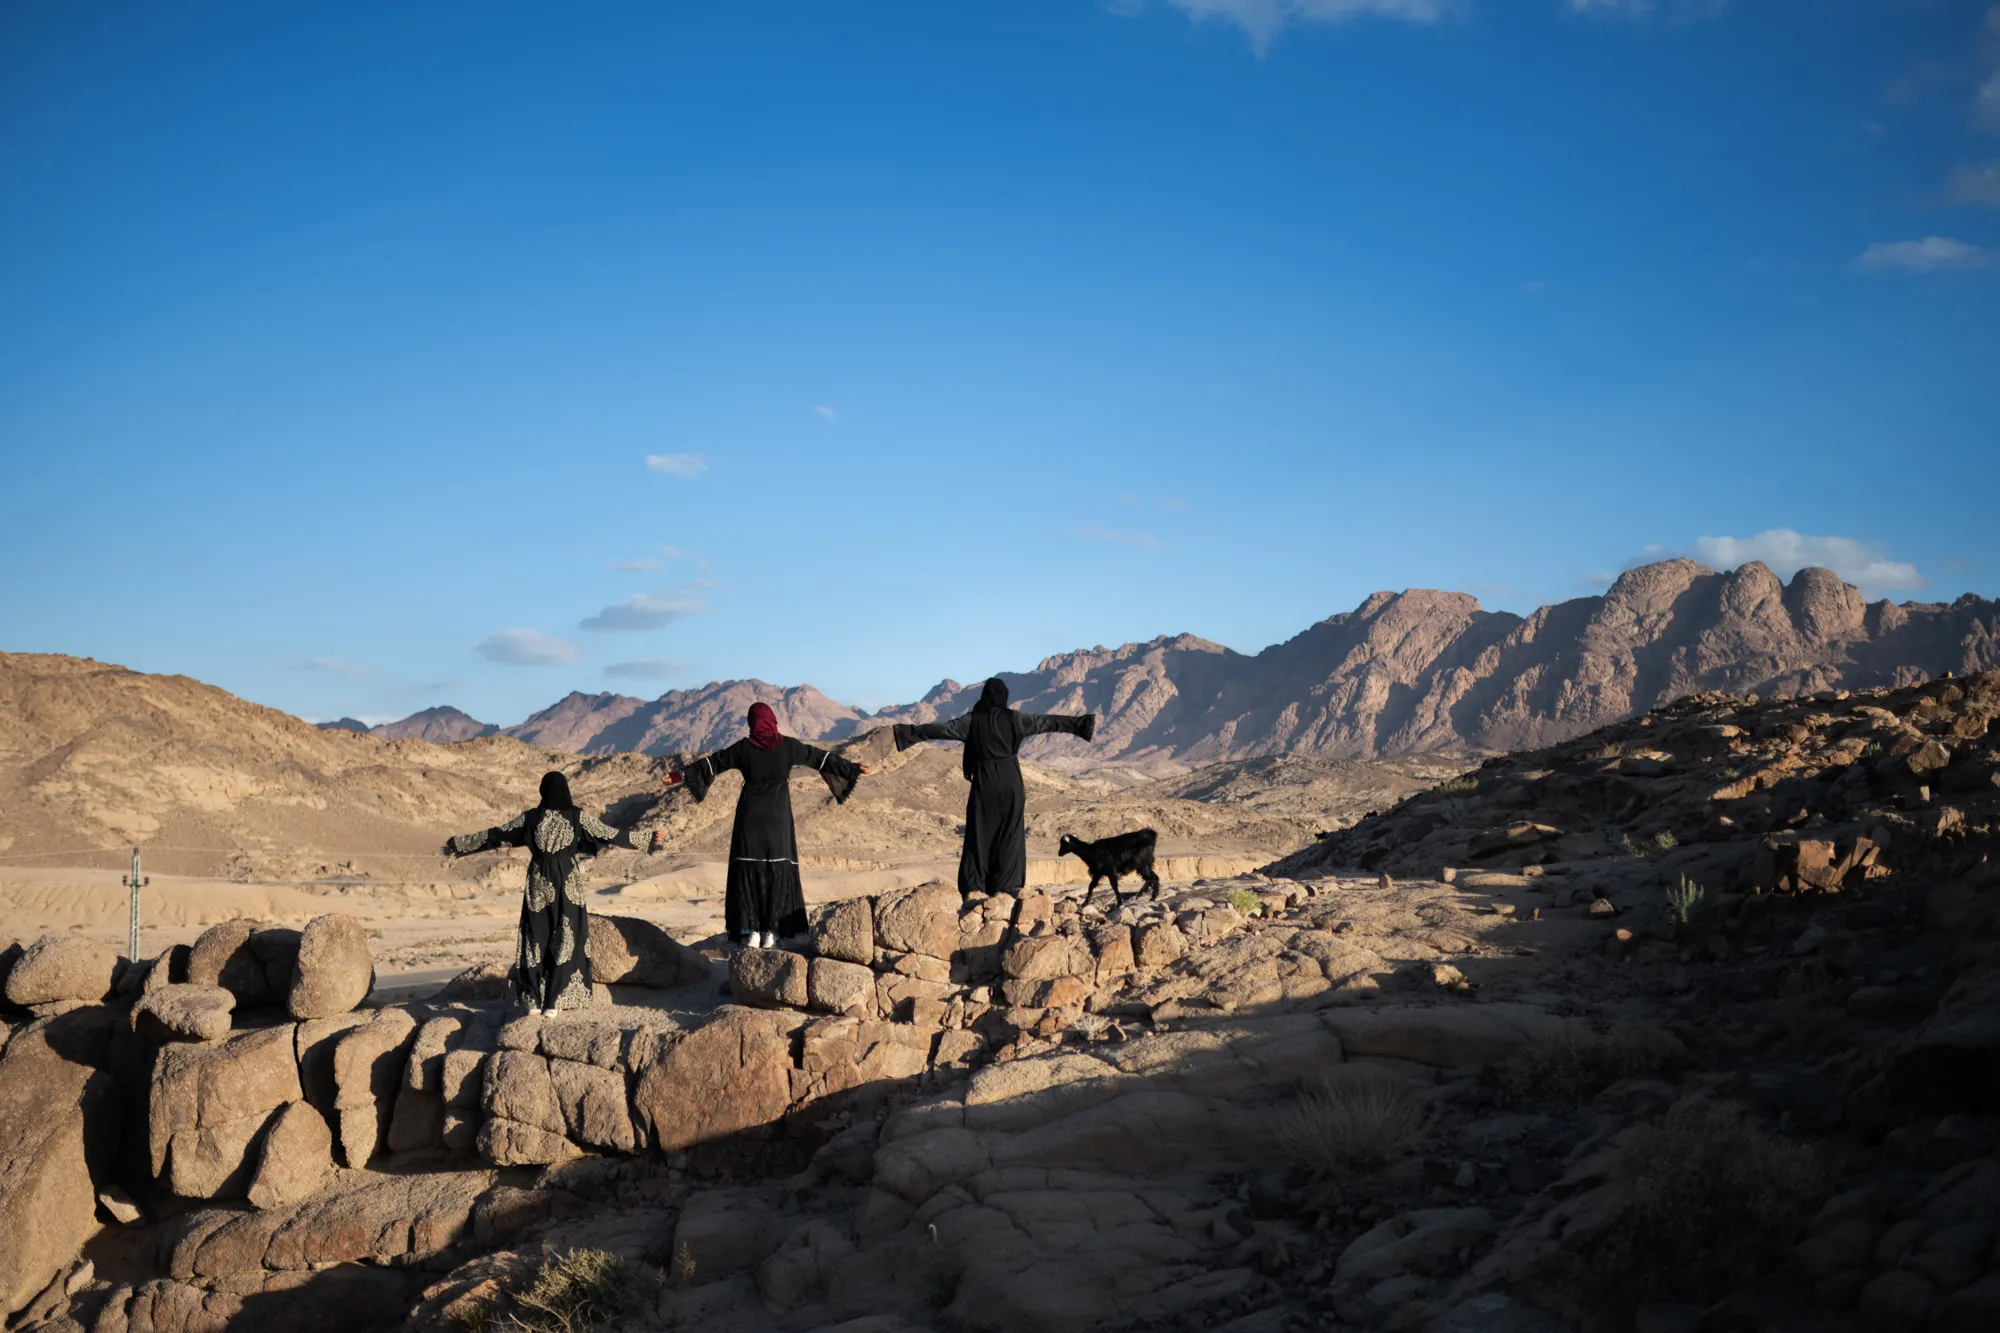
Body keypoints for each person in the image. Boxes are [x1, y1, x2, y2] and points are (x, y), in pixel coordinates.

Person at [666, 702, 871, 949]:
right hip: (778, 818)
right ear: (773, 721)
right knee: (777, 869)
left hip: (750, 818)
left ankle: (750, 931)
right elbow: (820, 758)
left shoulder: (743, 748)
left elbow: (712, 764)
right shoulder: (788, 746)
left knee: (749, 869)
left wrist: (677, 776)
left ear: (752, 723)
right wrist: (852, 768)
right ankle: (772, 932)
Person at [441, 771, 634, 1015]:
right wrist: (647, 840)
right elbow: (610, 834)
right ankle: (554, 1002)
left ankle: (532, 1001)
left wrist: (460, 844)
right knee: (567, 937)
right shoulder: (577, 817)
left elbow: (496, 835)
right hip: (567, 881)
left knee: (535, 936)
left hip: (538, 879)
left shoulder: (531, 818)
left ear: (543, 791)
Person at [891, 677, 1096, 896]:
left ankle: (975, 886)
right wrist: (1080, 725)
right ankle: (1008, 886)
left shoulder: (972, 720)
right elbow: (1047, 722)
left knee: (979, 834)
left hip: (984, 782)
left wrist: (907, 733)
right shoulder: (1015, 719)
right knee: (1010, 834)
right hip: (1011, 782)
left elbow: (941, 730)